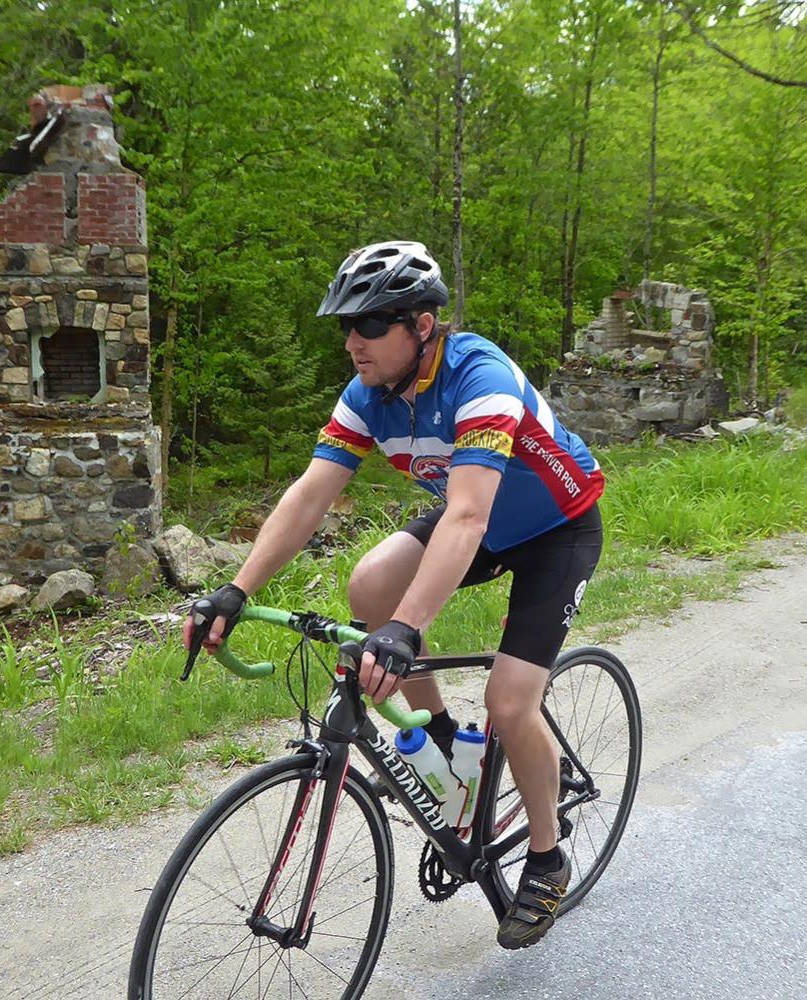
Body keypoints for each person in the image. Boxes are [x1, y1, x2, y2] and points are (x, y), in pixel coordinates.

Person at [183, 240, 605, 950]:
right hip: (479, 517)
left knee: (509, 700)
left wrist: (408, 628)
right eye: (346, 326)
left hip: (554, 531)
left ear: (422, 323)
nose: (353, 342)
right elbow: (310, 495)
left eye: (370, 325)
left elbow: (468, 516)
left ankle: (545, 854)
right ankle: (445, 745)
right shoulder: (368, 395)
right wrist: (235, 587)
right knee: (369, 584)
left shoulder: (481, 377)